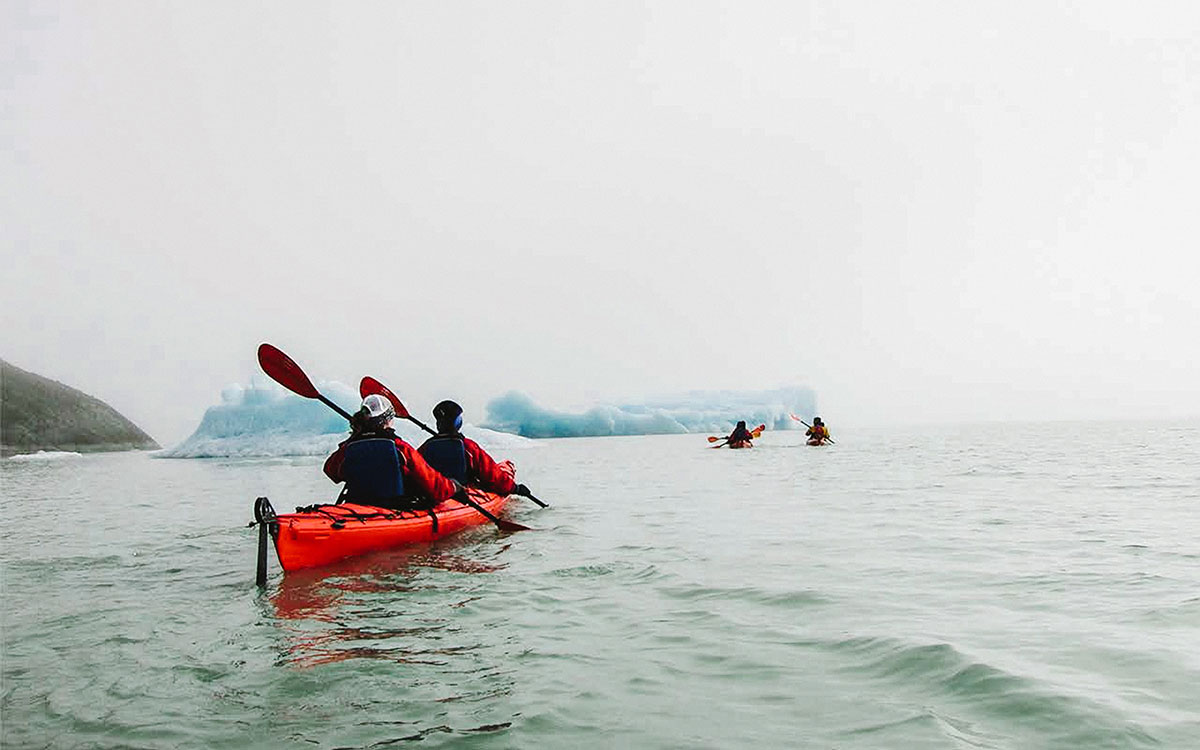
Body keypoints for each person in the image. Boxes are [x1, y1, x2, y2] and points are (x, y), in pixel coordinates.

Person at [323, 394, 465, 509]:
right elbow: (435, 487)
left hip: (357, 505)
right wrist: (453, 487)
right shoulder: (399, 447)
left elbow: (331, 471)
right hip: (393, 508)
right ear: (388, 420)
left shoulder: (349, 447)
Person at [418, 399, 531, 497]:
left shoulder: (425, 447)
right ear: (457, 423)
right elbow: (491, 475)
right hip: (462, 494)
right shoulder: (467, 446)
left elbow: (414, 471)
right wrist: (515, 488)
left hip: (437, 494)